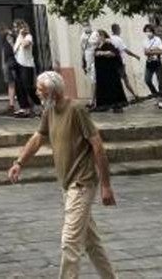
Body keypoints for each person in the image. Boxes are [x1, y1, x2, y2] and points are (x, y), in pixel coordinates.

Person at [9, 71, 117, 279]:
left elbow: (97, 146)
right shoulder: (49, 111)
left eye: (40, 90)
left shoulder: (76, 110)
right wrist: (19, 162)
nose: (37, 93)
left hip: (82, 183)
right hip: (67, 184)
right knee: (91, 242)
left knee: (70, 241)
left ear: (52, 92)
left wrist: (106, 185)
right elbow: (38, 138)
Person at [92, 30, 127, 113]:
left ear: (102, 36)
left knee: (113, 87)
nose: (96, 38)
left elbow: (113, 54)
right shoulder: (97, 47)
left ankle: (117, 105)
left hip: (110, 71)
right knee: (102, 87)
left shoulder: (108, 44)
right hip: (101, 72)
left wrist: (102, 53)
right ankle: (103, 105)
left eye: (98, 36)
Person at [108, 24, 140, 100]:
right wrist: (135, 56)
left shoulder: (109, 38)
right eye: (119, 29)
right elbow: (126, 50)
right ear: (117, 30)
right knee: (125, 80)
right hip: (120, 63)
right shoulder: (118, 39)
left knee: (116, 80)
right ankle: (134, 95)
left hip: (112, 63)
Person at [12, 22, 38, 116]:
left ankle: (39, 103)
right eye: (15, 27)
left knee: (28, 86)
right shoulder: (17, 38)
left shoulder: (28, 36)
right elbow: (14, 51)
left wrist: (21, 36)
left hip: (27, 65)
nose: (15, 29)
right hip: (18, 64)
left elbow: (25, 45)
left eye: (17, 27)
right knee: (19, 87)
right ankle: (24, 107)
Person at [141, 25, 162, 109]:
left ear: (152, 31)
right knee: (147, 80)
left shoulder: (157, 39)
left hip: (157, 63)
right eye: (146, 31)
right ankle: (156, 95)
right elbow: (145, 52)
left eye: (149, 31)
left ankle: (161, 99)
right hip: (149, 63)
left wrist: (151, 51)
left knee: (160, 81)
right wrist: (155, 50)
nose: (148, 33)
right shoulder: (144, 41)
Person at [0, 23, 18, 111]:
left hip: (14, 61)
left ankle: (15, 104)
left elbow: (15, 49)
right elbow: (3, 52)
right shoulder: (4, 39)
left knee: (16, 83)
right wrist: (3, 63)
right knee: (11, 83)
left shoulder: (13, 37)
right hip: (8, 62)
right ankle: (11, 104)